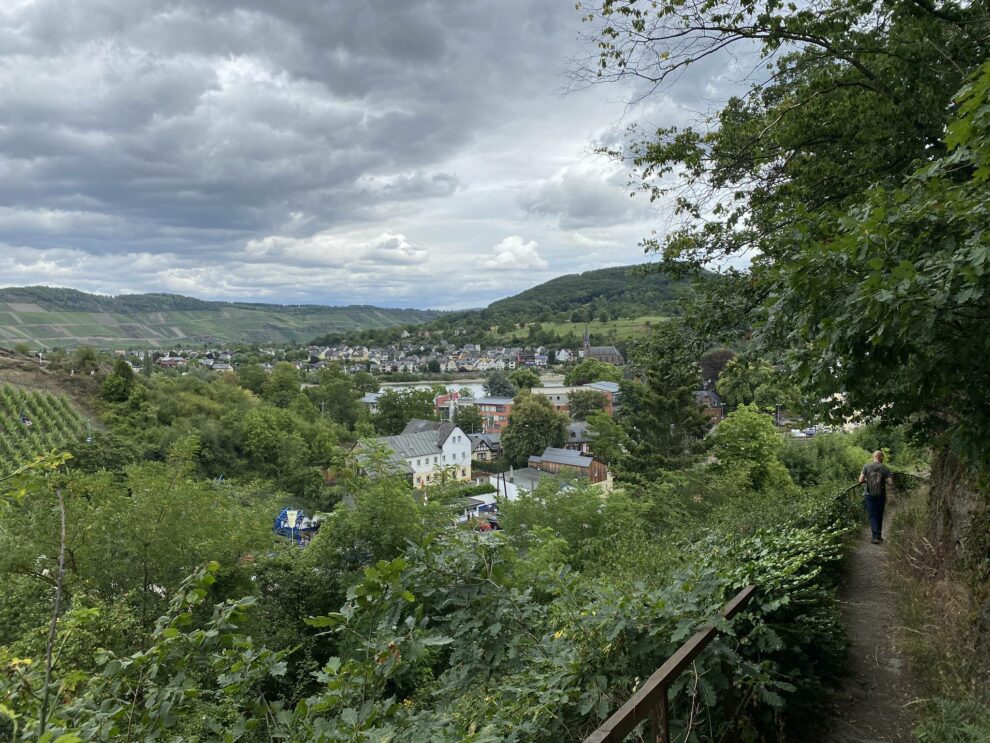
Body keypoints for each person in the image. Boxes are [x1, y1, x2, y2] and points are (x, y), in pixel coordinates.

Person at [859, 450, 894, 544]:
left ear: (873, 456)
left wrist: (869, 481)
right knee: (879, 514)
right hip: (881, 494)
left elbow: (860, 480)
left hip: (869, 494)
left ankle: (875, 537)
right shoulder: (885, 468)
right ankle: (878, 535)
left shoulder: (866, 466)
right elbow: (891, 483)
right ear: (881, 457)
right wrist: (883, 481)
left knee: (872, 515)